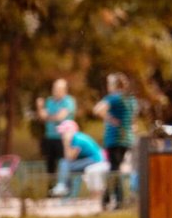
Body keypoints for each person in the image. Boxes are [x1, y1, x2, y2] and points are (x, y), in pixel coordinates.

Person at [92, 73, 137, 210]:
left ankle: (118, 200)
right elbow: (132, 120)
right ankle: (107, 199)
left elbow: (97, 109)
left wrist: (109, 119)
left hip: (115, 138)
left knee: (114, 169)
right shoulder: (131, 100)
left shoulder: (114, 98)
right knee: (114, 168)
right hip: (127, 138)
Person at [50, 120, 110, 198]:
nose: (62, 135)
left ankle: (63, 186)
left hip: (96, 160)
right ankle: (66, 190)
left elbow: (69, 158)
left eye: (64, 132)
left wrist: (66, 143)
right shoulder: (76, 137)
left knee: (65, 163)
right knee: (67, 167)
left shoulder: (77, 139)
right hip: (90, 160)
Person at [35, 78, 76, 177]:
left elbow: (60, 117)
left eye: (58, 89)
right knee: (50, 167)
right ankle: (51, 190)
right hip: (50, 137)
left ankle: (65, 188)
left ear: (64, 90)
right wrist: (40, 107)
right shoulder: (50, 101)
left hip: (64, 139)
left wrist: (48, 116)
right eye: (54, 88)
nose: (55, 91)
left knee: (64, 165)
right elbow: (42, 118)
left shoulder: (69, 101)